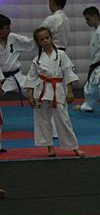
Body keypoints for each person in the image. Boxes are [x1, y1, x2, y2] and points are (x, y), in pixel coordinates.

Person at [24, 27, 84, 158]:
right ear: (38, 43)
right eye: (41, 40)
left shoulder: (61, 55)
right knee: (42, 121)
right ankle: (49, 147)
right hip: (41, 91)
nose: (45, 41)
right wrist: (30, 95)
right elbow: (31, 77)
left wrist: (70, 91)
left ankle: (74, 147)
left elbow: (68, 72)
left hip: (57, 89)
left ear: (51, 38)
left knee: (64, 120)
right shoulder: (37, 59)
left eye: (47, 38)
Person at [0, 14, 36, 108]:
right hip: (2, 79)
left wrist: (40, 38)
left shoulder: (12, 37)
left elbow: (30, 43)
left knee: (36, 92)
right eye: (7, 28)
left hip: (17, 76)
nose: (10, 30)